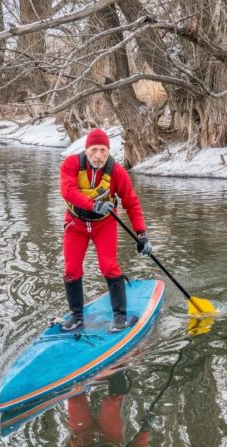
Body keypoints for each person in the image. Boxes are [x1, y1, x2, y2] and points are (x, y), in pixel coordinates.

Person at [60, 128, 152, 332]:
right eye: (94, 150)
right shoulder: (71, 164)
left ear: (108, 152)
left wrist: (142, 234)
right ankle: (76, 317)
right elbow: (68, 191)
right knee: (71, 269)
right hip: (76, 225)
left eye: (103, 150)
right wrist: (93, 204)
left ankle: (120, 316)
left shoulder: (116, 171)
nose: (99, 156)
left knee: (108, 266)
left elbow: (131, 203)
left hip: (104, 225)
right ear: (86, 150)